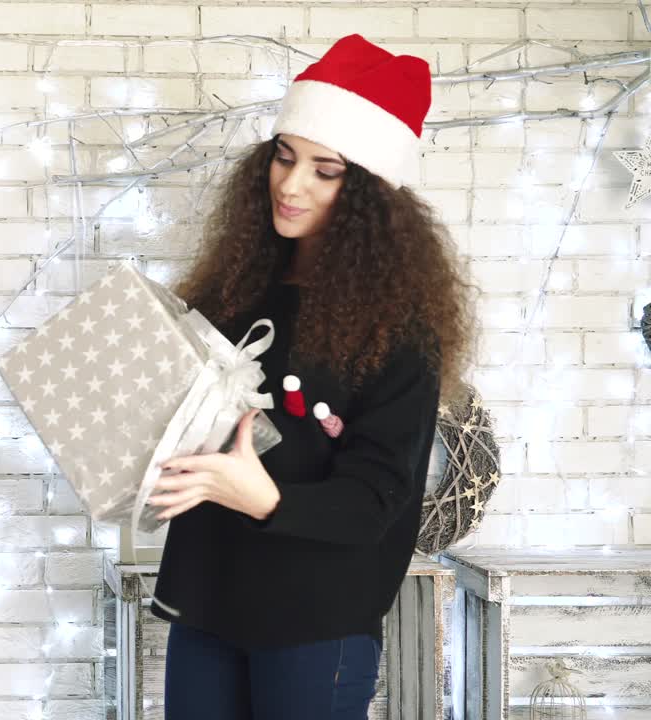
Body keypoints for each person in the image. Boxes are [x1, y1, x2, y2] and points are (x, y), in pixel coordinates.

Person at [146, 34, 477, 719]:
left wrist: (265, 498)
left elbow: (376, 499)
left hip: (315, 625)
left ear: (367, 196)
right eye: (283, 157)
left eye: (324, 171)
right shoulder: (234, 295)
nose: (290, 184)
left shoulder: (401, 330)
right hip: (208, 605)